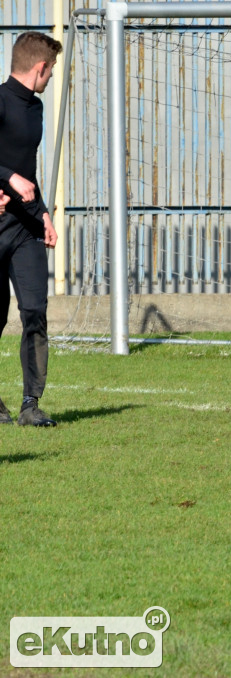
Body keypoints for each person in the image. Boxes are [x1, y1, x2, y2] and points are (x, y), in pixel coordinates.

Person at [0, 31, 63, 427]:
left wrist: (43, 214)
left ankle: (30, 405)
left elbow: (29, 167)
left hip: (26, 227)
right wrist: (7, 178)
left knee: (35, 311)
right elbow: (12, 170)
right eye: (51, 72)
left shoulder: (35, 109)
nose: (51, 78)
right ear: (40, 67)